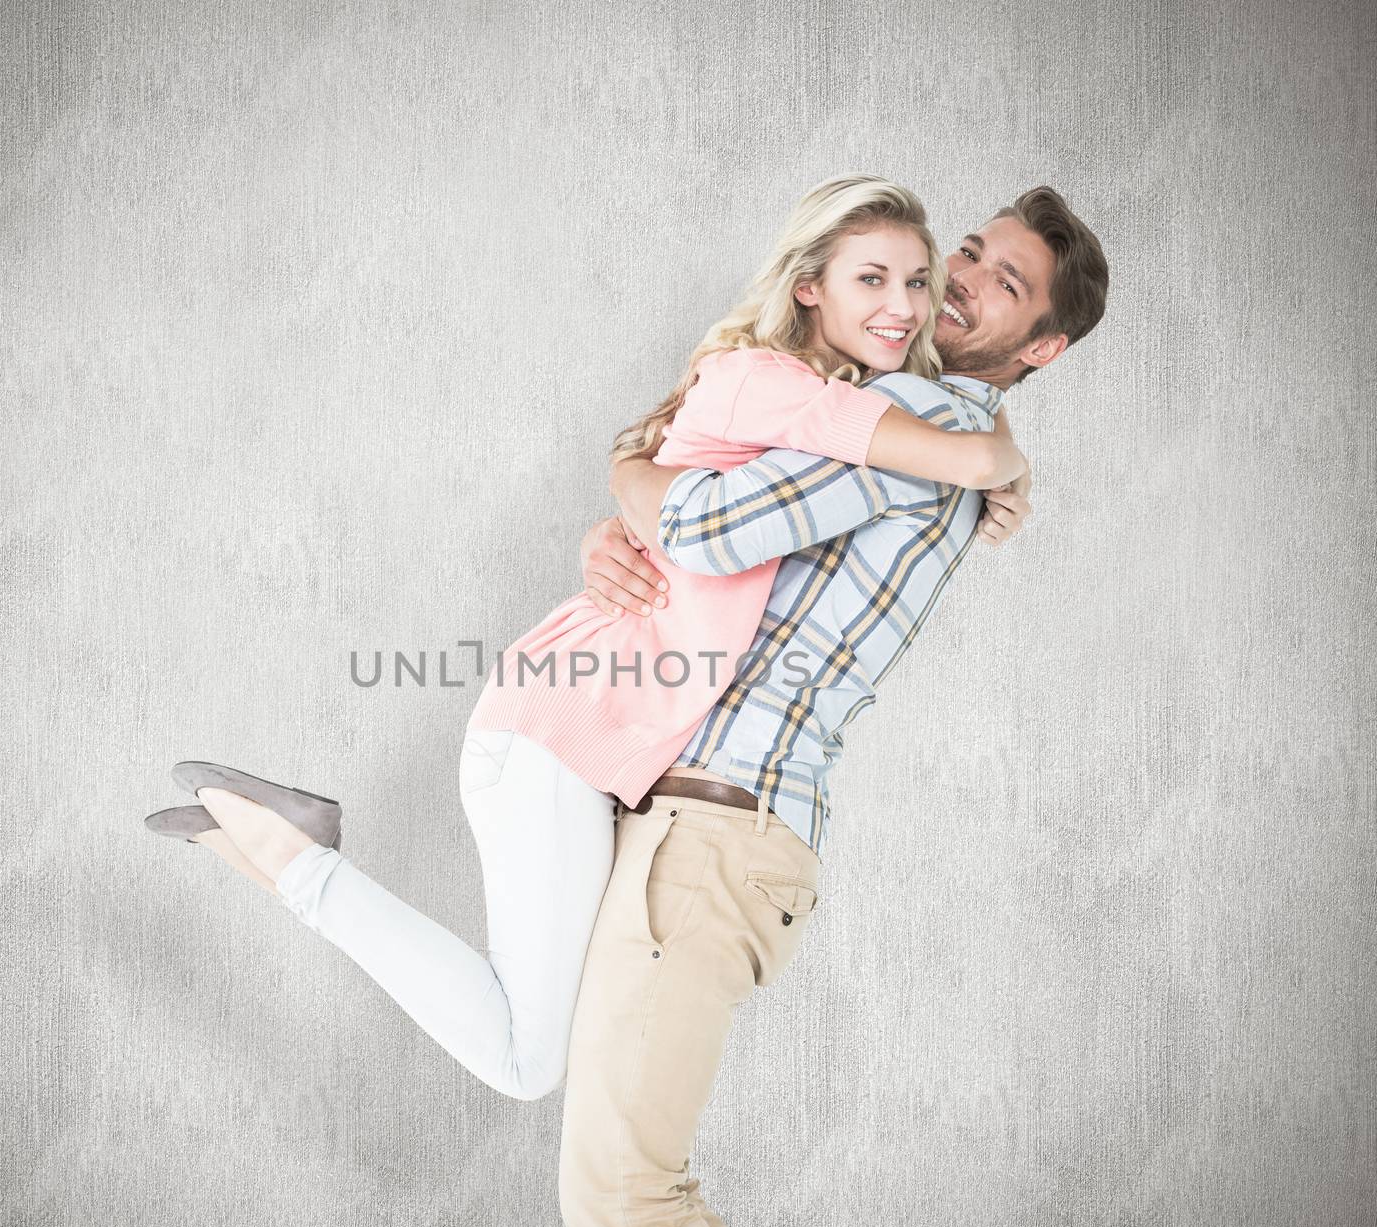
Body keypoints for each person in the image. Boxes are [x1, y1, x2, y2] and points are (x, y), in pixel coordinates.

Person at [142, 176, 1031, 1103]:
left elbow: (728, 467)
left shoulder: (785, 393)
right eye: (873, 280)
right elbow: (952, 451)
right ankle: (296, 853)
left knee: (539, 1046)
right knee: (530, 1064)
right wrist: (1007, 454)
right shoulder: (779, 387)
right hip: (560, 730)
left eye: (918, 284)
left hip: (576, 732)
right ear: (810, 286)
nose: (903, 307)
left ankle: (265, 845)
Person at [556, 185, 1109, 1227]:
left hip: (713, 830)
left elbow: (701, 525)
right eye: (965, 253)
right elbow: (701, 513)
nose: (958, 282)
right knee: (639, 1193)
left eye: (1004, 284)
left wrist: (633, 485)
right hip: (700, 823)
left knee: (624, 1201)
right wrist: (623, 502)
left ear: (1041, 347)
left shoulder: (937, 432)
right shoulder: (913, 424)